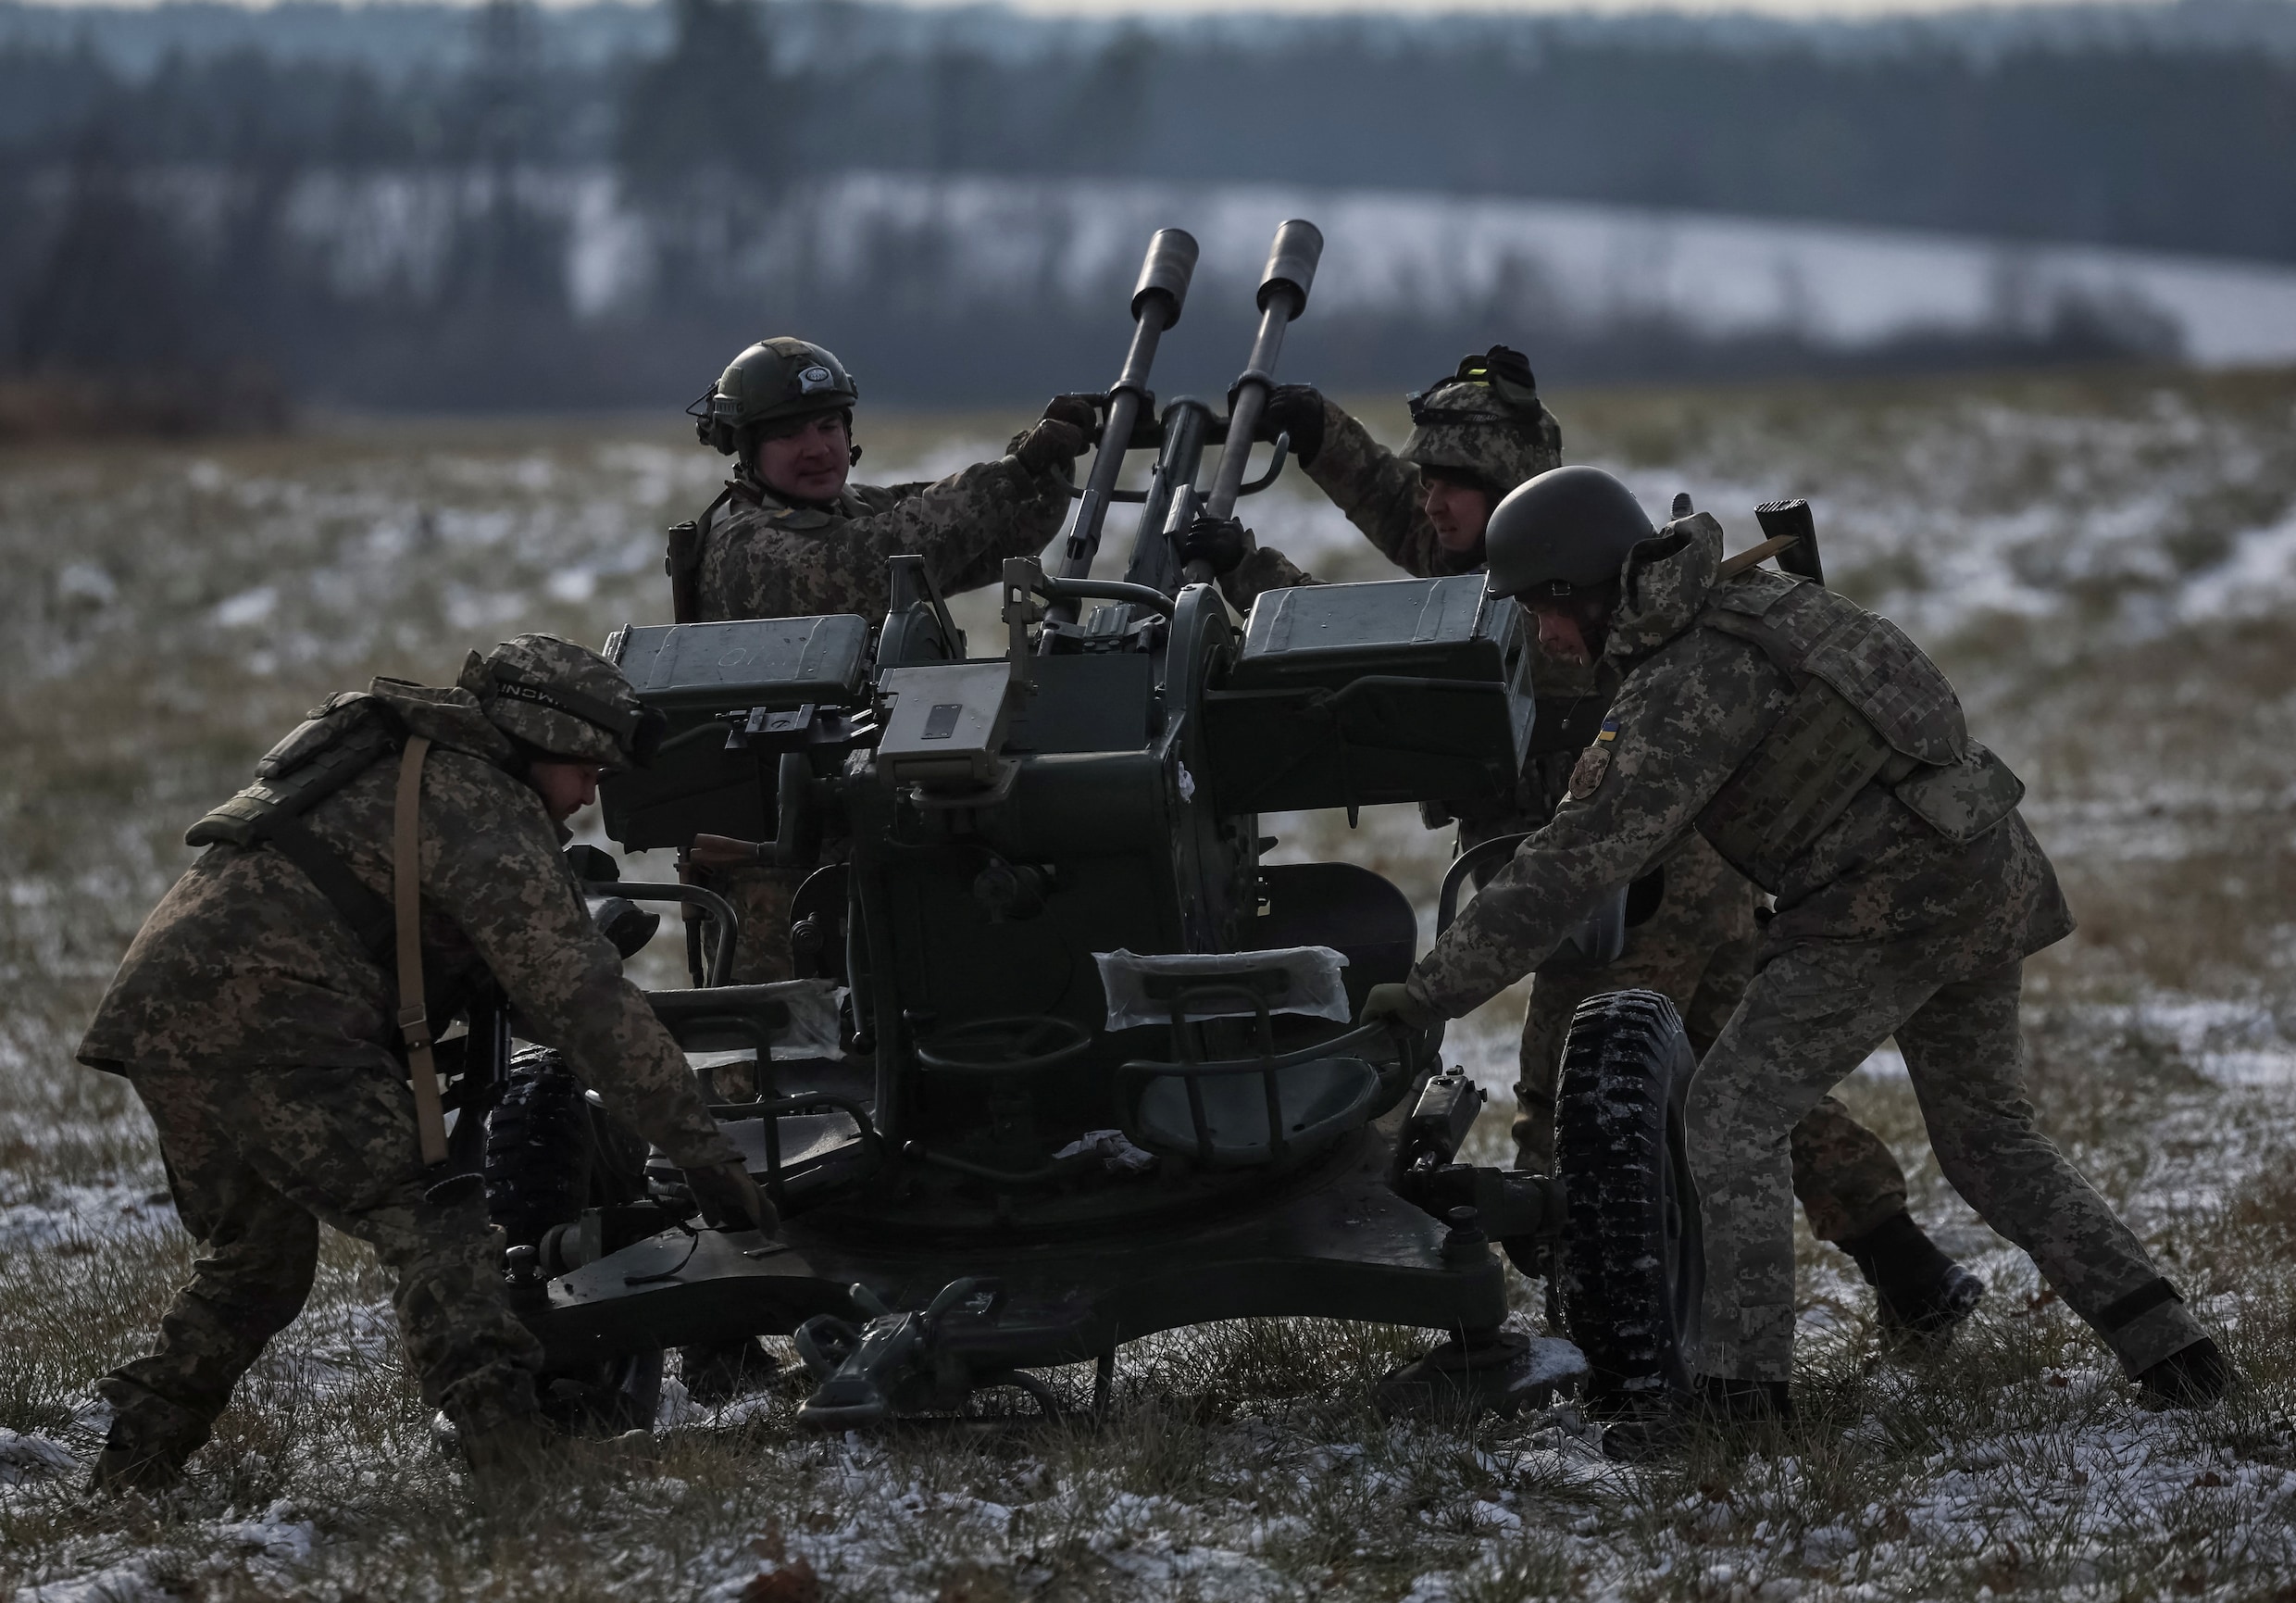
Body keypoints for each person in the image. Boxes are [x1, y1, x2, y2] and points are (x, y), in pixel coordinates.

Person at [1360, 467, 2229, 1434]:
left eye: (1537, 609)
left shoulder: (1685, 682)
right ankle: (2175, 1352)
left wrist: (1429, 992)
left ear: (1578, 588)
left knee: (1729, 1116)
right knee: (1987, 1140)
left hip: (1888, 904)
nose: (1540, 637)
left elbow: (1570, 864)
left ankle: (1741, 1402)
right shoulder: (1754, 604)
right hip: (1984, 868)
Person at [1186, 351, 1976, 1334]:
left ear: (1515, 502)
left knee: (1566, 1104)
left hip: (1627, 887)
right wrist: (1318, 434)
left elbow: (1373, 657)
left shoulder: (1544, 618)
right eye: (1425, 481)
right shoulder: (1538, 566)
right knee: (1728, 1075)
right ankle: (1909, 1269)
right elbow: (1411, 516)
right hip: (1681, 873)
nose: (1428, 504)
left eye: (1453, 488)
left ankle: (1592, 1326)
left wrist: (1243, 572)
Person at [76, 635, 770, 1497]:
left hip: (163, 1012)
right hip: (276, 1020)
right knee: (436, 1225)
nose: (592, 792)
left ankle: (129, 1472)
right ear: (535, 739)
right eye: (587, 767)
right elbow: (584, 1001)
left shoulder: (410, 765)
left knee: (254, 1267)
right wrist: (703, 1153)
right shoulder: (478, 802)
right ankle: (515, 1468)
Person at [669, 336, 1090, 984]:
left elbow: (994, 533)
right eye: (789, 434)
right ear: (745, 448)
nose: (817, 448)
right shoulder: (744, 544)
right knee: (789, 1062)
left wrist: (1046, 465)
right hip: (782, 878)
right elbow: (870, 563)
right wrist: (1014, 471)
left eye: (829, 425)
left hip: (868, 828)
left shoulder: (843, 509)